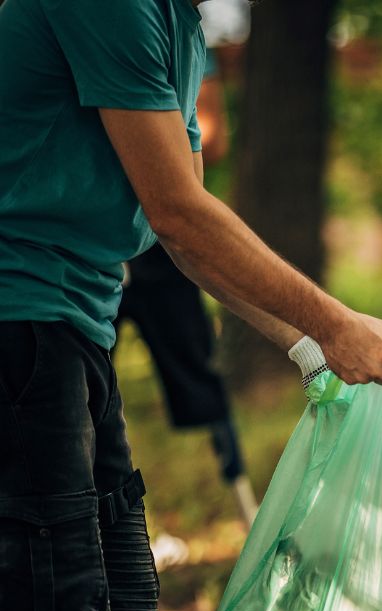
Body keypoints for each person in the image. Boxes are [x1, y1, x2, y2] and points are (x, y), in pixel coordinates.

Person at [0, 1, 382, 611]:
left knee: (121, 601)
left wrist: (305, 347)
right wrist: (333, 323)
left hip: (76, 323)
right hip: (19, 319)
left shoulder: (179, 23)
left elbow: (183, 228)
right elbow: (179, 213)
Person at [116, 47, 257, 528]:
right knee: (86, 389)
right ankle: (123, 530)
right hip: (93, 243)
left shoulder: (186, 43)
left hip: (160, 243)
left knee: (199, 371)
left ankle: (246, 512)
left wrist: (157, 139)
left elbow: (211, 139)